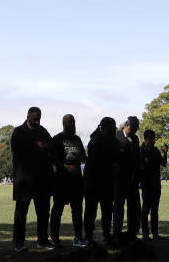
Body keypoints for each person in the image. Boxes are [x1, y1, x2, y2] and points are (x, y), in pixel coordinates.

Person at [11, 106, 55, 252]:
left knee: (43, 212)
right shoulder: (18, 132)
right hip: (24, 179)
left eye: (39, 119)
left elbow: (52, 146)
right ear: (28, 116)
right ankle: (19, 243)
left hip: (41, 179)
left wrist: (44, 146)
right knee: (21, 213)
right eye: (35, 119)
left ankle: (42, 240)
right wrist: (37, 145)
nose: (37, 121)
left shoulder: (42, 131)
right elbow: (17, 148)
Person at [50, 114, 86, 248]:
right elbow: (53, 158)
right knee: (57, 209)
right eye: (70, 122)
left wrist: (83, 158)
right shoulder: (57, 139)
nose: (73, 124)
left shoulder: (77, 139)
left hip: (76, 179)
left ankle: (78, 237)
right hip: (62, 179)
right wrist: (66, 167)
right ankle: (54, 238)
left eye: (74, 121)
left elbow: (83, 154)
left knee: (77, 209)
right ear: (64, 123)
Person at [84, 117, 119, 245]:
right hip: (94, 181)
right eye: (113, 125)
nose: (115, 128)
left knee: (106, 210)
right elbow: (95, 162)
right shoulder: (96, 141)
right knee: (91, 210)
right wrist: (112, 166)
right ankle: (89, 236)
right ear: (106, 126)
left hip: (106, 181)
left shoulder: (112, 140)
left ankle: (105, 235)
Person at [113, 116, 142, 239]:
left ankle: (133, 233)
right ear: (127, 125)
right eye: (133, 128)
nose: (134, 131)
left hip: (133, 179)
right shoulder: (116, 137)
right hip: (120, 180)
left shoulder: (135, 139)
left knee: (134, 208)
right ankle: (117, 233)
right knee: (119, 207)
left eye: (136, 129)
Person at [139, 129, 168, 240]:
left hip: (156, 183)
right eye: (152, 138)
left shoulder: (155, 150)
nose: (154, 140)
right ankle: (145, 234)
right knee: (145, 209)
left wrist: (165, 153)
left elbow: (163, 164)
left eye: (154, 138)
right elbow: (145, 162)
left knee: (155, 210)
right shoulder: (141, 150)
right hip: (146, 183)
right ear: (146, 138)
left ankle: (155, 233)